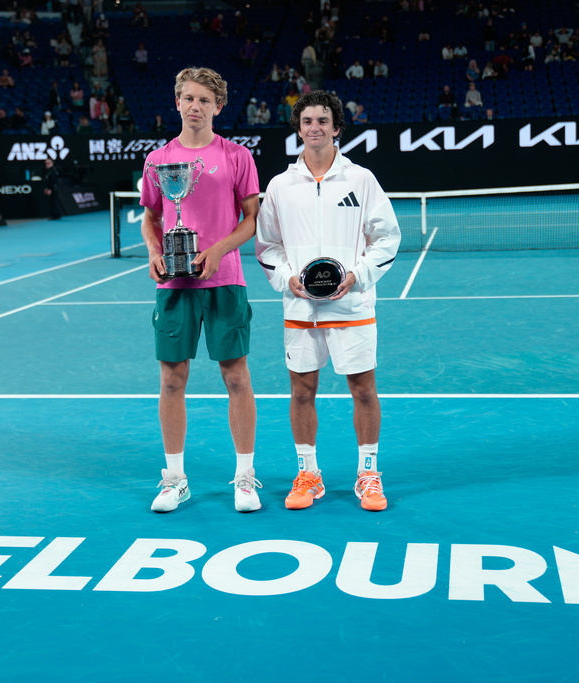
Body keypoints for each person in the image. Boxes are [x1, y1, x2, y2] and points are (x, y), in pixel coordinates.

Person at [255, 90, 400, 512]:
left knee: (363, 390)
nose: (314, 128)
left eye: (322, 121)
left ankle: (368, 474)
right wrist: (287, 279)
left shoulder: (361, 180)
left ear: (337, 128)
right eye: (306, 121)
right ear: (298, 129)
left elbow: (387, 237)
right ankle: (308, 473)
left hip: (352, 307)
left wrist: (357, 276)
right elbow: (268, 245)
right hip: (300, 309)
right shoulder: (281, 186)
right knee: (301, 391)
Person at [139, 66, 261, 513]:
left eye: (204, 100)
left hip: (224, 279)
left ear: (218, 107)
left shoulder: (236, 156)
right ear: (177, 102)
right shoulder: (158, 160)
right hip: (174, 282)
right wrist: (154, 251)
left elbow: (251, 219)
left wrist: (218, 250)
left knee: (236, 377)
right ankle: (175, 479)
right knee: (172, 379)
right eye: (188, 98)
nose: (195, 106)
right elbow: (150, 218)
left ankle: (245, 478)